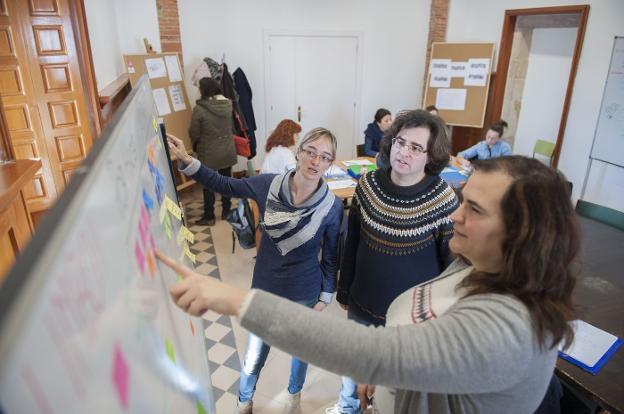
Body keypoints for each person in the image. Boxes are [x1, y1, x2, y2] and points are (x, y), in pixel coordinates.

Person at [156, 155, 579, 414]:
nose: (455, 215)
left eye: (474, 208)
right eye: (462, 199)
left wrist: (236, 299)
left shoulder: (507, 328)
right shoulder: (477, 266)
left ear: (522, 234)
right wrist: (386, 381)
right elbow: (415, 344)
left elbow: (372, 351)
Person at [166, 128, 343, 414]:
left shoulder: (332, 207)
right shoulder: (267, 185)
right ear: (298, 152)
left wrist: (326, 294)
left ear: (329, 164)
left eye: (324, 157)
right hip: (265, 287)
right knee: (254, 355)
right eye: (310, 151)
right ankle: (244, 401)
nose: (315, 161)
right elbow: (224, 184)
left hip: (305, 292)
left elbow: (332, 254)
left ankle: (293, 398)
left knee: (301, 353)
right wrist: (187, 160)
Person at [331, 110, 459, 413]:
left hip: (410, 320)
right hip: (363, 303)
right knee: (353, 368)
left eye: (416, 147)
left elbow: (450, 267)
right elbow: (353, 242)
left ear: (431, 155)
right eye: (401, 142)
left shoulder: (443, 199)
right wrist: (344, 289)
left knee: (390, 392)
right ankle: (346, 407)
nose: (404, 151)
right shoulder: (367, 185)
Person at [189, 77, 238, 226]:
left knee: (208, 184)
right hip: (228, 151)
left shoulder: (199, 109)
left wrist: (196, 145)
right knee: (225, 181)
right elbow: (232, 128)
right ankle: (226, 211)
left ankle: (209, 216)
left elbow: (194, 132)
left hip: (209, 153)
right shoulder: (228, 105)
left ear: (204, 90)